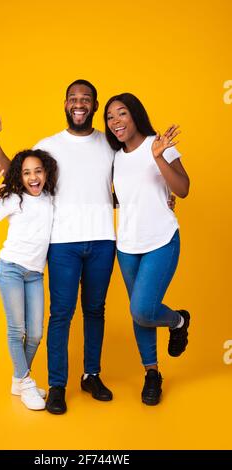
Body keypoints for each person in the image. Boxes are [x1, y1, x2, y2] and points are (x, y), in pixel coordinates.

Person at [0, 81, 116, 414]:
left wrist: (158, 198)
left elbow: (123, 184)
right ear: (65, 104)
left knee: (95, 311)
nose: (79, 104)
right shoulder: (49, 146)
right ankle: (56, 385)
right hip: (62, 243)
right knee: (61, 316)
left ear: (95, 105)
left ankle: (91, 374)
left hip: (102, 240)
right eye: (73, 99)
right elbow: (17, 174)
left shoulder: (110, 144)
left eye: (86, 99)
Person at [104, 93, 190, 405]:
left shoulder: (160, 144)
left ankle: (179, 321)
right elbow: (124, 197)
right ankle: (151, 373)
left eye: (122, 114)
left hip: (161, 240)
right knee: (139, 315)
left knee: (142, 309)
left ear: (135, 114)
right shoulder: (115, 157)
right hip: (127, 244)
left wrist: (158, 158)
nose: (116, 122)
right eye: (110, 117)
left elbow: (182, 189)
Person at [0, 149, 57, 411]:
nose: (33, 177)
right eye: (26, 172)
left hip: (35, 274)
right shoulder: (15, 199)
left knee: (36, 334)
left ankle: (19, 380)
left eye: (38, 171)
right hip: (10, 269)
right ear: (20, 176)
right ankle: (26, 383)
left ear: (46, 173)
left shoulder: (52, 199)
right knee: (16, 330)